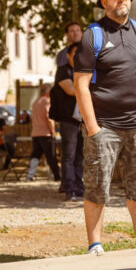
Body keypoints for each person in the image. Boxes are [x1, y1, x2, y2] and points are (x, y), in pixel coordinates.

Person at [74, 0, 136, 255]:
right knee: (97, 185)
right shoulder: (93, 36)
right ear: (104, 2)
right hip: (105, 127)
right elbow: (80, 84)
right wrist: (93, 128)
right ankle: (95, 244)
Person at [51, 41, 84, 202]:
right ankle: (69, 188)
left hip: (83, 119)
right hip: (68, 120)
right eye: (75, 54)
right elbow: (71, 90)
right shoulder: (63, 72)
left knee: (80, 156)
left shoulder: (86, 72)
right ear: (69, 56)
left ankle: (79, 187)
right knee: (69, 155)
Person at [25, 83, 60, 182]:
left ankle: (30, 175)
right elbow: (49, 119)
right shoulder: (47, 102)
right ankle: (57, 175)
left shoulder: (35, 102)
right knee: (51, 156)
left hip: (35, 133)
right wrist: (53, 132)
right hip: (46, 133)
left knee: (35, 155)